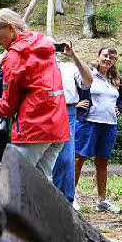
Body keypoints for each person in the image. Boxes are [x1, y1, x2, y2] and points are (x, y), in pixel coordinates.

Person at [0, 9, 68, 178]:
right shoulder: (41, 44)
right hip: (57, 127)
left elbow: (8, 107)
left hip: (35, 129)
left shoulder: (15, 57)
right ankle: (47, 205)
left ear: (11, 28)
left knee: (13, 180)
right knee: (42, 182)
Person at [74, 47, 122, 213]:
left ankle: (102, 200)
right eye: (105, 55)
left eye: (112, 57)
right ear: (99, 56)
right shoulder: (89, 74)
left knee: (102, 161)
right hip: (89, 122)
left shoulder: (115, 79)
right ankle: (70, 196)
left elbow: (121, 99)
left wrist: (120, 108)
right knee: (78, 158)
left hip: (109, 124)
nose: (108, 59)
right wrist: (76, 105)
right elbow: (75, 91)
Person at [51, 41, 93, 209]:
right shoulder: (35, 65)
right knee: (42, 157)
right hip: (42, 111)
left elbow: (88, 81)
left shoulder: (69, 67)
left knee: (66, 157)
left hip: (67, 111)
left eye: (55, 47)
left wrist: (73, 56)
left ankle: (66, 199)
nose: (52, 50)